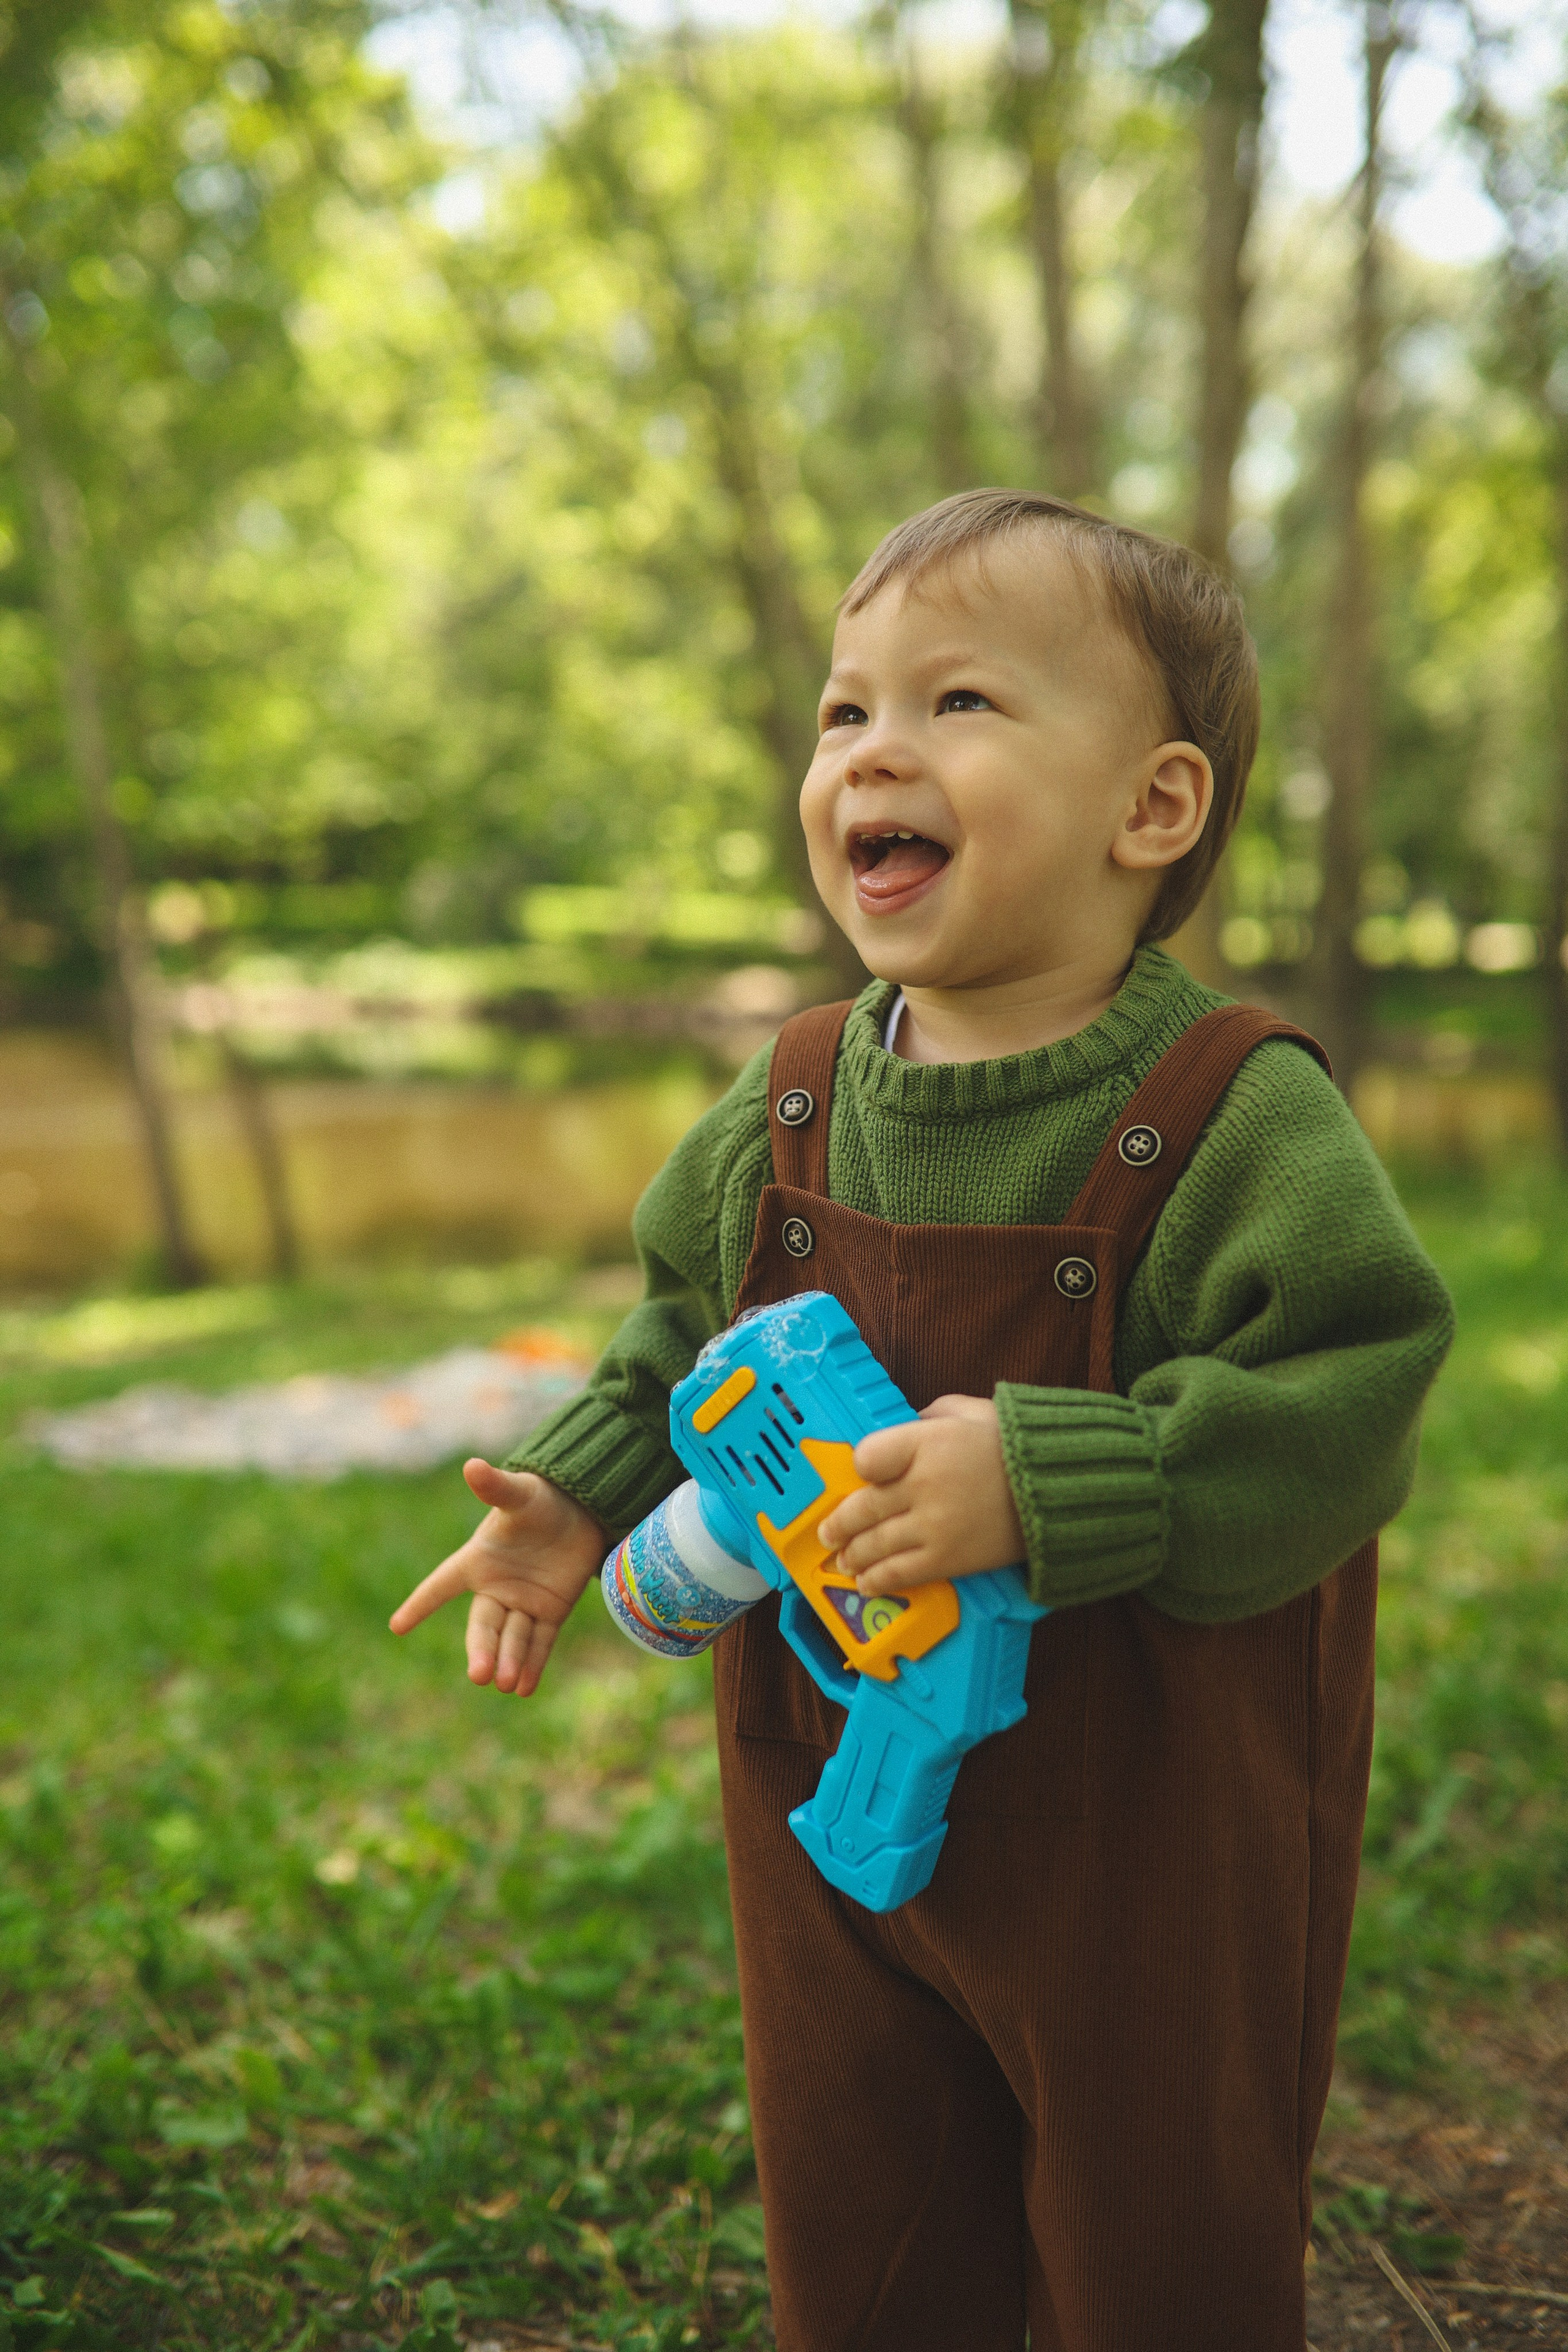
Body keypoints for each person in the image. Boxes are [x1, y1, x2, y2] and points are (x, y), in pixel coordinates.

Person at [390, 489, 1453, 2351]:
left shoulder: (1234, 1113)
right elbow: (680, 1326)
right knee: (862, 2200)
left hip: (1142, 1819)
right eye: (843, 712)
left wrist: (1050, 1475)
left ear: (1154, 808)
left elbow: (1349, 1393)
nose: (874, 748)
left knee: (1159, 2234)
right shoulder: (794, 1095)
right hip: (824, 1792)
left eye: (957, 702)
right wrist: (575, 1497)